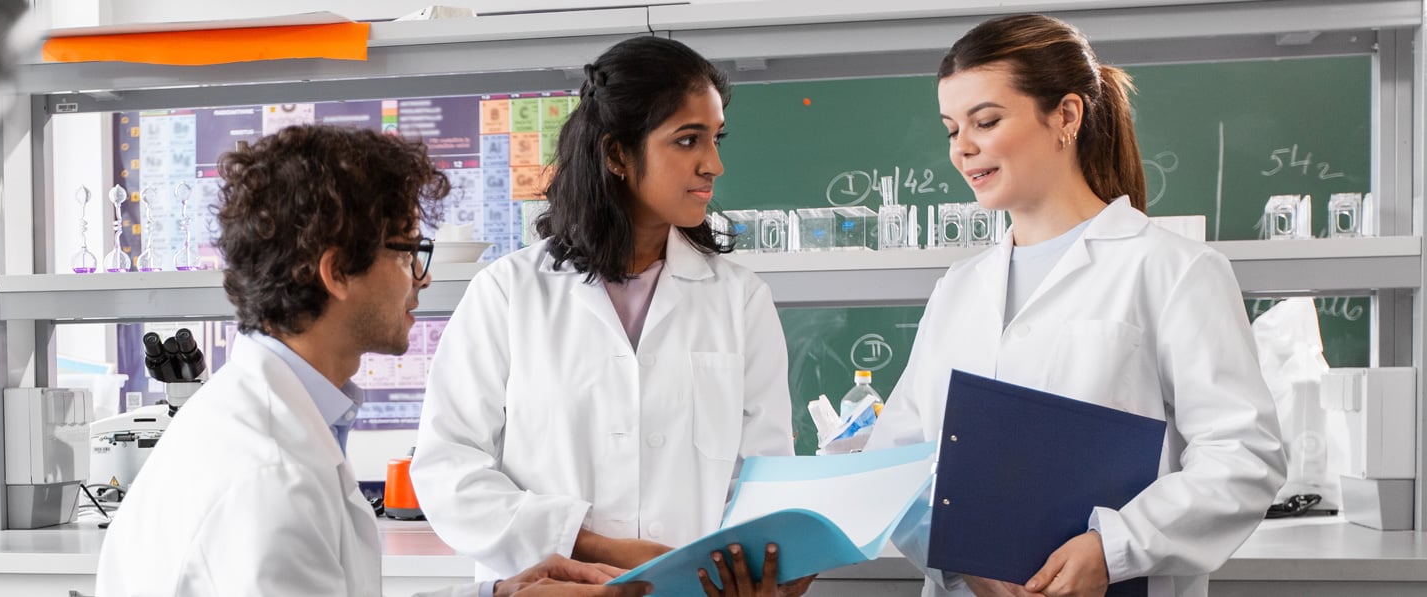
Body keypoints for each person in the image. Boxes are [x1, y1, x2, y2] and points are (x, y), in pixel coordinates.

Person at [95, 125, 650, 597]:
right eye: (408, 251)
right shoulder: (271, 480)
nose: (423, 277)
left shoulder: (264, 420)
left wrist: (500, 594)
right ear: (336, 273)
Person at [864, 14, 1286, 597]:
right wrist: (968, 559)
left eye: (986, 121)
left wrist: (1111, 549)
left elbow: (1243, 458)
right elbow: (897, 462)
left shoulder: (1172, 269)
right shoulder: (959, 289)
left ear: (1065, 115)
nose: (964, 149)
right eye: (951, 128)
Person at [412, 35, 808, 595]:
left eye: (716, 138)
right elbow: (448, 472)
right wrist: (591, 544)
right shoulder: (507, 293)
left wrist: (766, 566)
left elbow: (763, 477)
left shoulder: (739, 300)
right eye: (688, 140)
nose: (714, 164)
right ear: (617, 154)